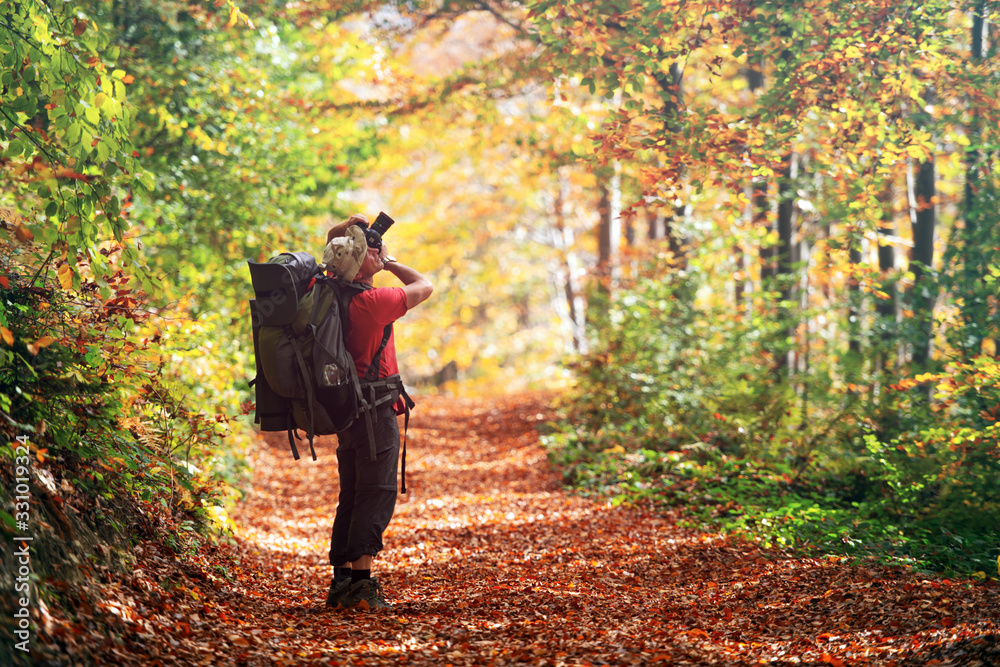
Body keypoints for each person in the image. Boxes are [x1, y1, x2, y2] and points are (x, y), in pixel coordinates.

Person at [320, 213, 433, 611]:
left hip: (346, 408)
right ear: (363, 261)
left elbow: (332, 247)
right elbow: (424, 285)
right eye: (369, 251)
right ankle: (363, 586)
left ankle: (342, 582)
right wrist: (390, 261)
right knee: (376, 492)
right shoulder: (371, 303)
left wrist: (344, 234)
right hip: (374, 408)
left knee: (352, 491)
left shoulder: (327, 289)